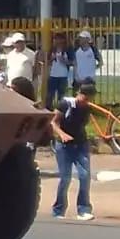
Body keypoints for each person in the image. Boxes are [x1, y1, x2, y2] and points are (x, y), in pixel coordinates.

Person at [50, 79, 96, 221]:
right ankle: (58, 209)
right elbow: (53, 121)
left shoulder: (87, 108)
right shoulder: (65, 104)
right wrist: (62, 134)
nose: (86, 101)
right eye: (84, 98)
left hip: (80, 144)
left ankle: (83, 209)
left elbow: (81, 125)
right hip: (64, 146)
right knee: (65, 177)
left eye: (89, 99)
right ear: (79, 93)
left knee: (84, 175)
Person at [45, 39, 71, 106]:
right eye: (57, 43)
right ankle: (49, 108)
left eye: (60, 43)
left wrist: (63, 61)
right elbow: (46, 63)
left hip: (63, 76)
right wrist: (52, 59)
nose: (59, 44)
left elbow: (71, 63)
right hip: (53, 75)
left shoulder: (66, 51)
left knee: (61, 95)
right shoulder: (51, 52)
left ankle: (61, 108)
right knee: (50, 94)